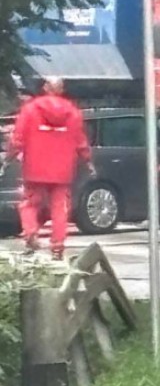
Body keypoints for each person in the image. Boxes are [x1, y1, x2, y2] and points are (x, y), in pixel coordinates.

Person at [3, 77, 95, 260]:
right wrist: (88, 160)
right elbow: (80, 140)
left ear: (45, 87)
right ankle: (58, 247)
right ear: (61, 89)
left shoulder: (30, 109)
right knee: (60, 207)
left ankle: (30, 233)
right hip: (62, 167)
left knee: (30, 203)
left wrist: (9, 157)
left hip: (35, 165)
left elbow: (18, 138)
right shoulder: (73, 112)